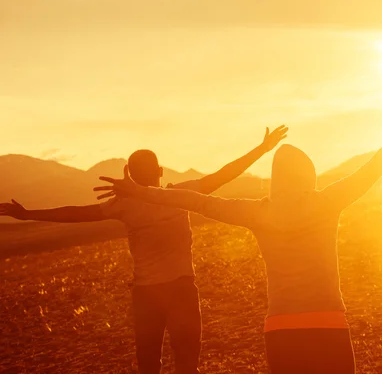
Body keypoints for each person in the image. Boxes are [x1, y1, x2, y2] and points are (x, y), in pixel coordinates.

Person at [94, 93, 382, 374]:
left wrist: (139, 191)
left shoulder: (258, 212)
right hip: (327, 323)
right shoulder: (327, 201)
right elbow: (378, 163)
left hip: (281, 330)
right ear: (309, 175)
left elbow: (194, 201)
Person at [0, 125, 288, 374]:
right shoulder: (179, 194)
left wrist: (28, 214)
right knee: (187, 366)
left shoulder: (124, 205)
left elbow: (74, 213)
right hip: (180, 291)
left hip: (147, 296)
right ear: (161, 171)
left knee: (149, 366)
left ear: (132, 178)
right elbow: (225, 174)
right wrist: (262, 149)